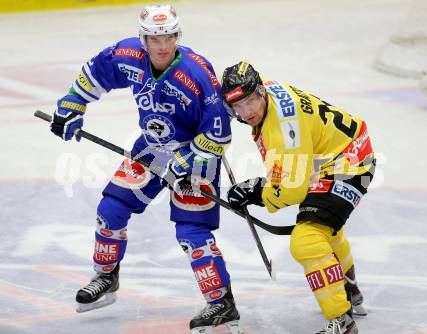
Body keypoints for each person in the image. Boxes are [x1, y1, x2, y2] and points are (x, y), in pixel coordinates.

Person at [50, 5, 242, 334]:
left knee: (191, 233)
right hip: (152, 148)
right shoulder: (128, 55)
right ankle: (106, 276)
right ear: (144, 39)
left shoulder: (196, 72)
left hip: (196, 156)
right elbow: (96, 71)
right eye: (155, 38)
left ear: (177, 36)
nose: (162, 45)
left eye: (168, 36)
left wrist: (192, 161)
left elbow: (219, 131)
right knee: (110, 209)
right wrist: (73, 102)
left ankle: (221, 302)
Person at [221, 61, 376, 334]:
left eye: (251, 102)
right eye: (239, 106)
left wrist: (258, 192)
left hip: (349, 163)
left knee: (306, 241)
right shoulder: (266, 93)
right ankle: (351, 293)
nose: (247, 112)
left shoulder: (283, 127)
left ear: (260, 91)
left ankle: (343, 322)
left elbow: (292, 189)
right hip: (332, 156)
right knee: (322, 226)